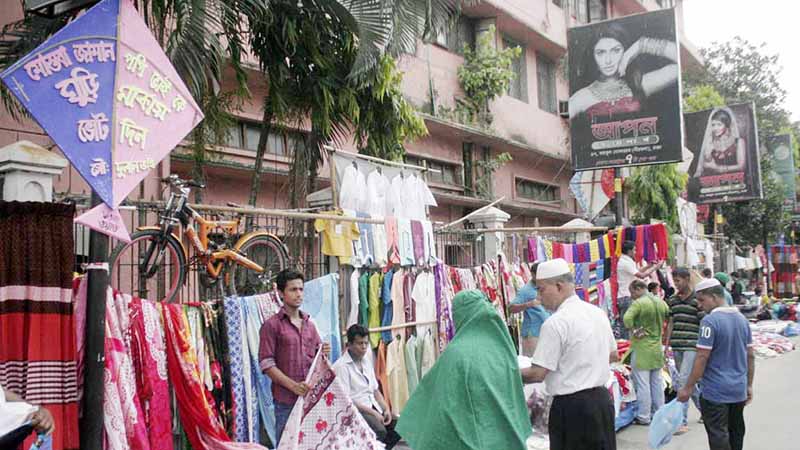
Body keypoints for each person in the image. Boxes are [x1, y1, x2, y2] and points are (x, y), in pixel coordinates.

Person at [396, 290, 530, 450]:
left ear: (461, 315)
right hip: (504, 437)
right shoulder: (501, 348)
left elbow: (438, 402)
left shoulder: (456, 353)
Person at [521, 259, 618, 450]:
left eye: (541, 290)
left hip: (572, 408)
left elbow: (537, 373)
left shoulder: (556, 323)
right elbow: (613, 354)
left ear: (558, 286)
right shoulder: (596, 313)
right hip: (601, 402)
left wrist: (507, 372)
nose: (539, 297)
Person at [677, 278, 755, 450]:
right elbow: (750, 355)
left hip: (715, 392)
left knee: (718, 435)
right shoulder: (742, 320)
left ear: (714, 297)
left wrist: (688, 387)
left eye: (701, 300)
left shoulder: (709, 322)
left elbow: (702, 357)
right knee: (736, 432)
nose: (699, 304)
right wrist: (748, 385)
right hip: (737, 390)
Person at [259, 269, 330, 445]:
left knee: (312, 445)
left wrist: (324, 353)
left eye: (301, 289)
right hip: (285, 402)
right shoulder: (272, 326)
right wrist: (293, 386)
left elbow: (318, 360)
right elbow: (266, 364)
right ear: (281, 293)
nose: (298, 294)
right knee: (287, 445)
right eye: (293, 290)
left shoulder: (310, 325)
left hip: (310, 399)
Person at [569, 21, 678, 120]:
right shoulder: (581, 97)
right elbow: (562, 122)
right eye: (601, 53)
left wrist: (639, 46)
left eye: (616, 50)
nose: (608, 60)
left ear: (625, 51)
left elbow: (679, 62)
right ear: (593, 57)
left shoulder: (639, 85)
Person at [334, 325, 401, 449]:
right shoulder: (341, 366)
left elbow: (375, 390)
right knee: (380, 430)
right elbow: (346, 399)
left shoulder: (366, 361)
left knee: (400, 426)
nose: (364, 347)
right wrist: (374, 414)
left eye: (366, 343)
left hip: (373, 405)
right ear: (349, 344)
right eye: (360, 343)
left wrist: (385, 408)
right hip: (356, 410)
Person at [624, 279, 670, 425]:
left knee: (643, 384)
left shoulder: (639, 303)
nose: (631, 296)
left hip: (642, 348)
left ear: (638, 289)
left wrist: (635, 330)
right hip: (657, 347)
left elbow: (626, 319)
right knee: (656, 383)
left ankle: (644, 416)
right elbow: (670, 317)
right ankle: (659, 413)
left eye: (632, 292)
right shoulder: (660, 302)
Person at [664, 267, 704, 434]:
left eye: (678, 280)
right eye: (675, 281)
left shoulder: (698, 300)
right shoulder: (672, 300)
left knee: (682, 381)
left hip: (692, 346)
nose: (676, 284)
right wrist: (666, 345)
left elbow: (703, 324)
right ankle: (705, 410)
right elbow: (671, 323)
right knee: (688, 383)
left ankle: (682, 421)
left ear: (687, 279)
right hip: (677, 345)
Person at [616, 240, 664, 339]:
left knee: (630, 324)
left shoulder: (627, 261)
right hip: (626, 297)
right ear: (629, 251)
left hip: (627, 297)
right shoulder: (625, 262)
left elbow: (637, 272)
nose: (635, 252)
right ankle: (625, 346)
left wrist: (649, 266)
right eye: (634, 250)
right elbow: (641, 276)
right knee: (627, 326)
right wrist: (655, 267)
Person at [509, 262, 551, 356]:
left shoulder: (545, 287)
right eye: (539, 275)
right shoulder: (526, 290)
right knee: (532, 364)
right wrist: (529, 304)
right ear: (533, 274)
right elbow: (511, 308)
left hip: (546, 333)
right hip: (532, 336)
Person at [693, 108, 747, 178]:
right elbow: (707, 166)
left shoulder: (739, 142)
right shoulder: (710, 144)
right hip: (715, 183)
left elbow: (742, 166)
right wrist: (708, 157)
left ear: (727, 125)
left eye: (719, 124)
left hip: (737, 182)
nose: (715, 128)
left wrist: (719, 169)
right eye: (713, 125)